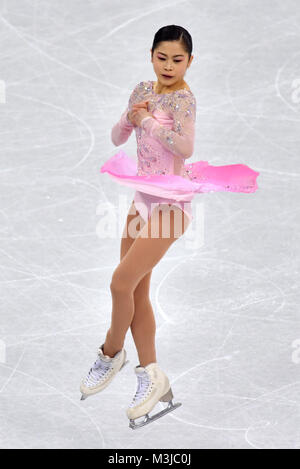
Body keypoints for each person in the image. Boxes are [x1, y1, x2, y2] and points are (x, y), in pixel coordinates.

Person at [80, 25, 260, 430]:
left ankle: (111, 353)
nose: (168, 65)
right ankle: (152, 377)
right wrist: (130, 117)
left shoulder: (184, 99)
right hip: (142, 199)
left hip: (171, 206)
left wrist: (146, 122)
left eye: (178, 59)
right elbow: (114, 137)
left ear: (190, 61)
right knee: (137, 291)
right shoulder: (143, 88)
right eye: (162, 57)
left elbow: (185, 147)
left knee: (120, 283)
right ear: (151, 56)